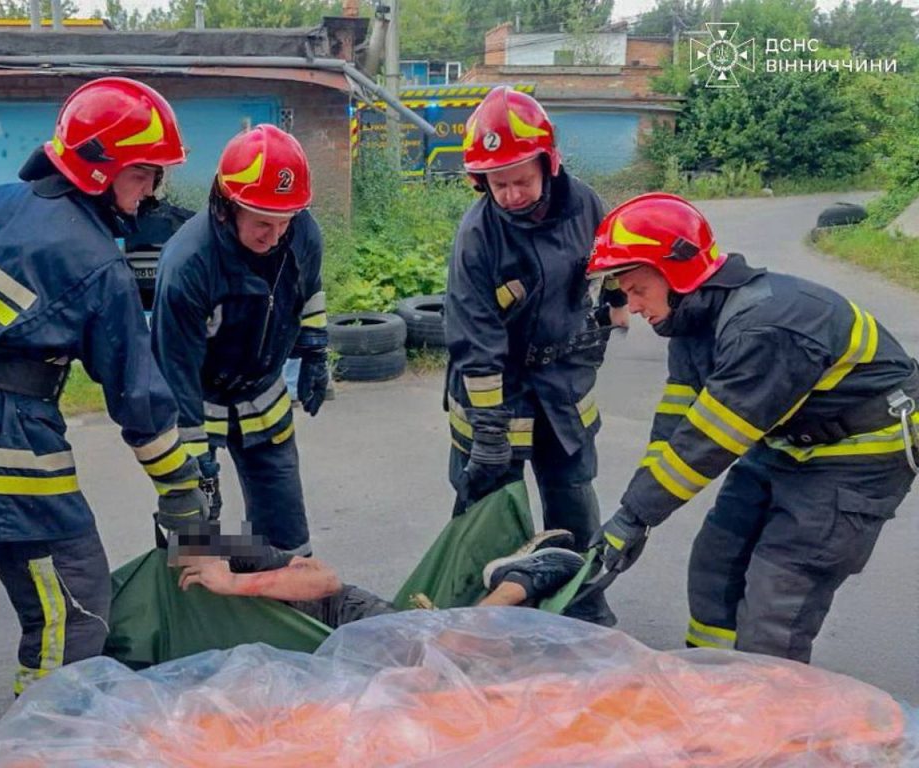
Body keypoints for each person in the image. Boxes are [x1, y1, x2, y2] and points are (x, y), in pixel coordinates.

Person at [0, 77, 208, 695]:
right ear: (100, 170)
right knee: (75, 607)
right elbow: (139, 400)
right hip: (3, 442)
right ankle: (46, 731)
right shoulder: (97, 262)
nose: (151, 191)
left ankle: (48, 718)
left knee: (46, 595)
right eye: (143, 174)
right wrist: (182, 490)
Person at [586, 192, 918, 662]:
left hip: (858, 452)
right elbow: (676, 428)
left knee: (778, 596)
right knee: (716, 562)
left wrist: (636, 516)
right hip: (787, 441)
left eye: (638, 289)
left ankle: (767, 702)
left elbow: (707, 444)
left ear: (677, 272)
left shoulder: (763, 328)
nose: (633, 305)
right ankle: (715, 683)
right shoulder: (691, 323)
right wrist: (632, 512)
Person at [442, 86, 628, 626]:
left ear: (549, 164)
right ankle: (477, 620)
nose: (511, 194)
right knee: (487, 510)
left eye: (521, 180)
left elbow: (610, 263)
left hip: (563, 387)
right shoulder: (477, 235)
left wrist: (616, 303)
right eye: (497, 184)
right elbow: (474, 338)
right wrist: (489, 434)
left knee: (573, 501)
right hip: (496, 391)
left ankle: (585, 610)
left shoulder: (585, 204)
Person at [152, 125, 328, 556]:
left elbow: (309, 292)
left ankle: (282, 587)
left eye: (285, 222)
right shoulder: (188, 264)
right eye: (262, 222)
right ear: (226, 207)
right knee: (193, 536)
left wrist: (315, 349)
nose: (275, 236)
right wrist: (192, 462)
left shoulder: (302, 232)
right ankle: (191, 589)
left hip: (263, 396)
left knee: (287, 537)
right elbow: (175, 371)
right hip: (199, 400)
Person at [175, 529, 585, 628]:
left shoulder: (226, 547)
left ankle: (517, 580)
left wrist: (235, 584)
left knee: (451, 654)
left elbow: (325, 580)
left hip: (347, 620)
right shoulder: (161, 586)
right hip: (322, 663)